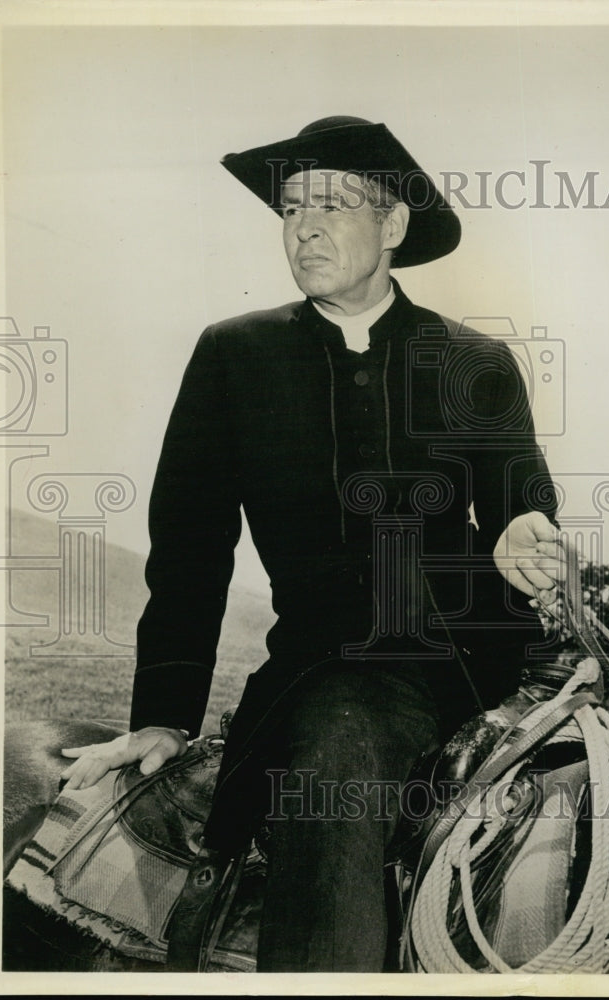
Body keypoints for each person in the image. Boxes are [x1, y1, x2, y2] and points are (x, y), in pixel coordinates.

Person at [60, 116, 565, 972]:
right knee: (338, 743)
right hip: (317, 668)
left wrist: (525, 524)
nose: (307, 228)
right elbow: (189, 547)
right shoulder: (234, 356)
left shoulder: (474, 359)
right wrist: (163, 714)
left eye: (332, 205)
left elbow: (517, 483)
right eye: (292, 209)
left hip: (461, 655)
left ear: (393, 226)